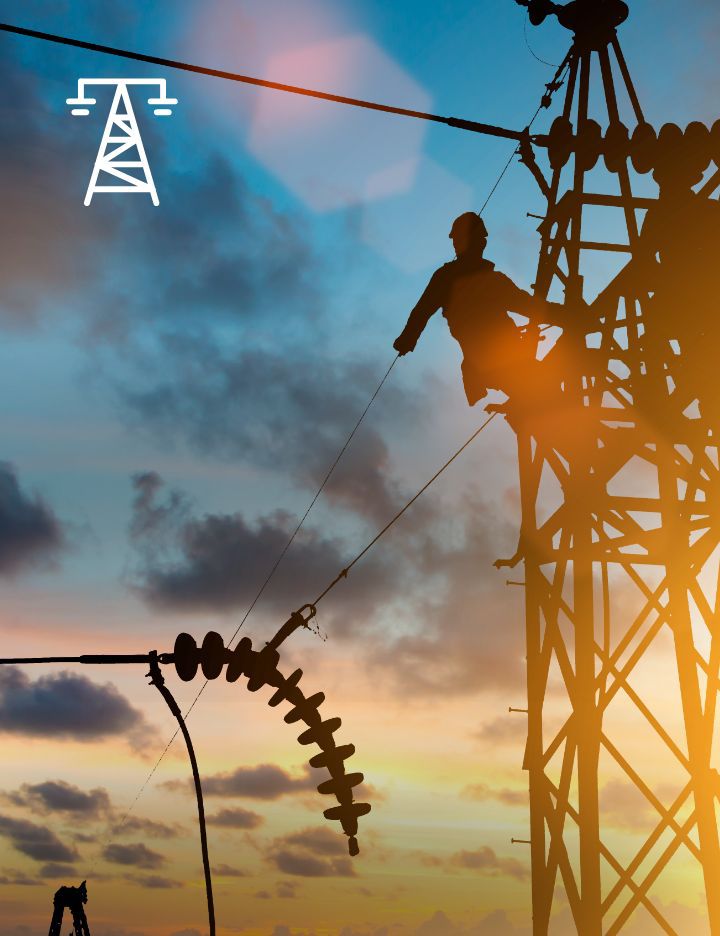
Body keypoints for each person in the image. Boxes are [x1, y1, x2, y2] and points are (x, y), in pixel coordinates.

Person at [393, 212, 565, 408]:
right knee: (548, 396)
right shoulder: (457, 278)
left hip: (500, 359)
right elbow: (422, 311)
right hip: (500, 361)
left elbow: (529, 307)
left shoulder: (463, 278)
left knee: (547, 396)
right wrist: (408, 338)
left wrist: (408, 339)